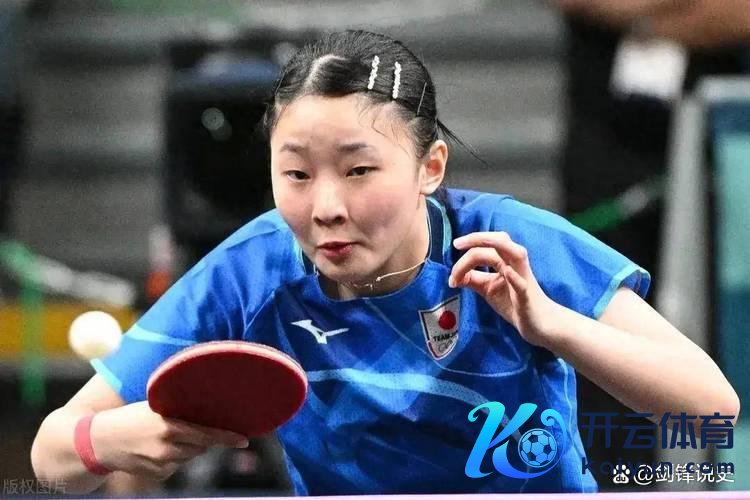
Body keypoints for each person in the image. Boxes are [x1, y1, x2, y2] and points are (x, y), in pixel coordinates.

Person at [30, 30, 739, 495]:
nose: (325, 206)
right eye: (296, 174)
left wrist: (552, 325)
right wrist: (108, 438)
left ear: (431, 167)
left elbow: (712, 406)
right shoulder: (251, 271)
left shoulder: (508, 243)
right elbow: (49, 456)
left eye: (359, 170)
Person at [553, 0, 749, 478]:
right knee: (602, 328)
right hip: (607, 150)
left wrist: (643, 19)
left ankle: (711, 476)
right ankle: (615, 476)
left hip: (724, 142)